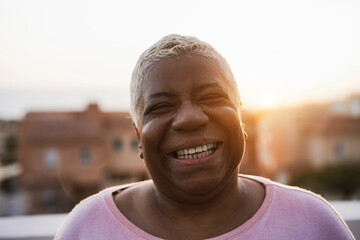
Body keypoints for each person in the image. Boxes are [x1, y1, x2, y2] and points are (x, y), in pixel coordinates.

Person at [55, 34, 354, 240]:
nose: (190, 118)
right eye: (161, 106)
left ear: (239, 114)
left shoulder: (312, 224)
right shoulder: (87, 228)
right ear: (138, 136)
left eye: (211, 97)